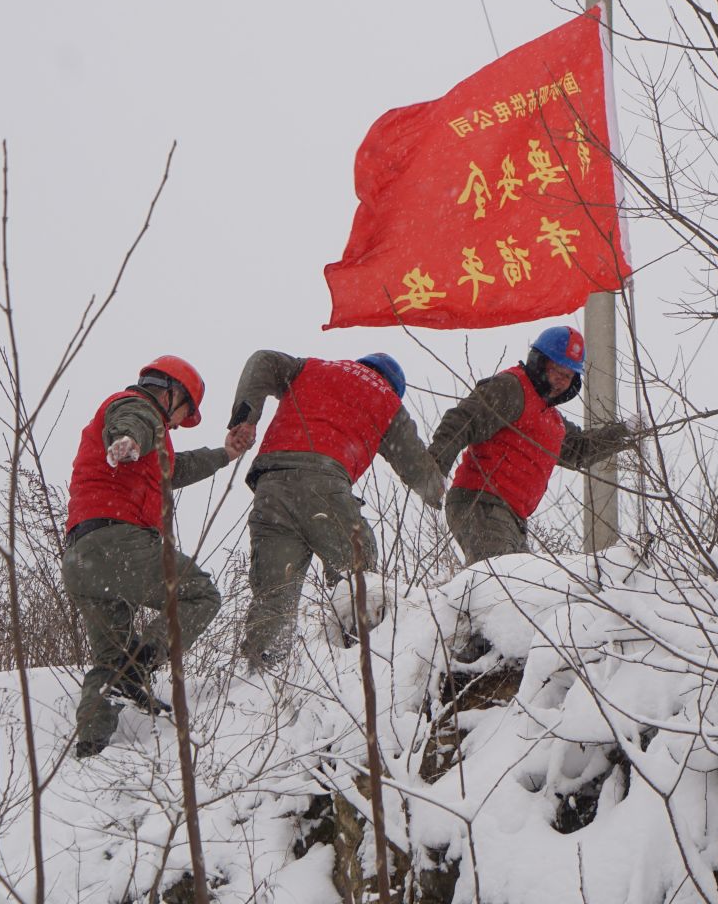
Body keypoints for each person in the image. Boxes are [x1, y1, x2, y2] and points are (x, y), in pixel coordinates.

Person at [61, 355, 250, 759]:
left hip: (81, 559)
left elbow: (173, 468)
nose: (179, 424)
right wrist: (126, 439)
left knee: (109, 658)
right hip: (118, 543)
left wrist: (225, 454)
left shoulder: (148, 442)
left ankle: (90, 750)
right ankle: (137, 671)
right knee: (199, 595)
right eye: (184, 412)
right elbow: (133, 422)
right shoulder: (137, 407)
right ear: (171, 393)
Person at [225, 350, 447, 667]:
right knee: (357, 564)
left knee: (275, 591)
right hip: (322, 481)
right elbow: (416, 464)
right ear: (393, 385)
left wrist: (245, 416)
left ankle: (260, 669)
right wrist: (441, 494)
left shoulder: (310, 368)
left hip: (270, 486)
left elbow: (261, 360)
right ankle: (359, 652)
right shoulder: (386, 398)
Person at [428, 325, 636, 566]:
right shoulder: (511, 388)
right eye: (557, 370)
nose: (561, 381)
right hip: (482, 504)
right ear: (539, 362)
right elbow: (461, 421)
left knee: (524, 588)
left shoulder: (551, 420)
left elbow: (579, 450)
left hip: (512, 518)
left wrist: (626, 431)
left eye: (568, 376)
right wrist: (434, 470)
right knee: (500, 587)